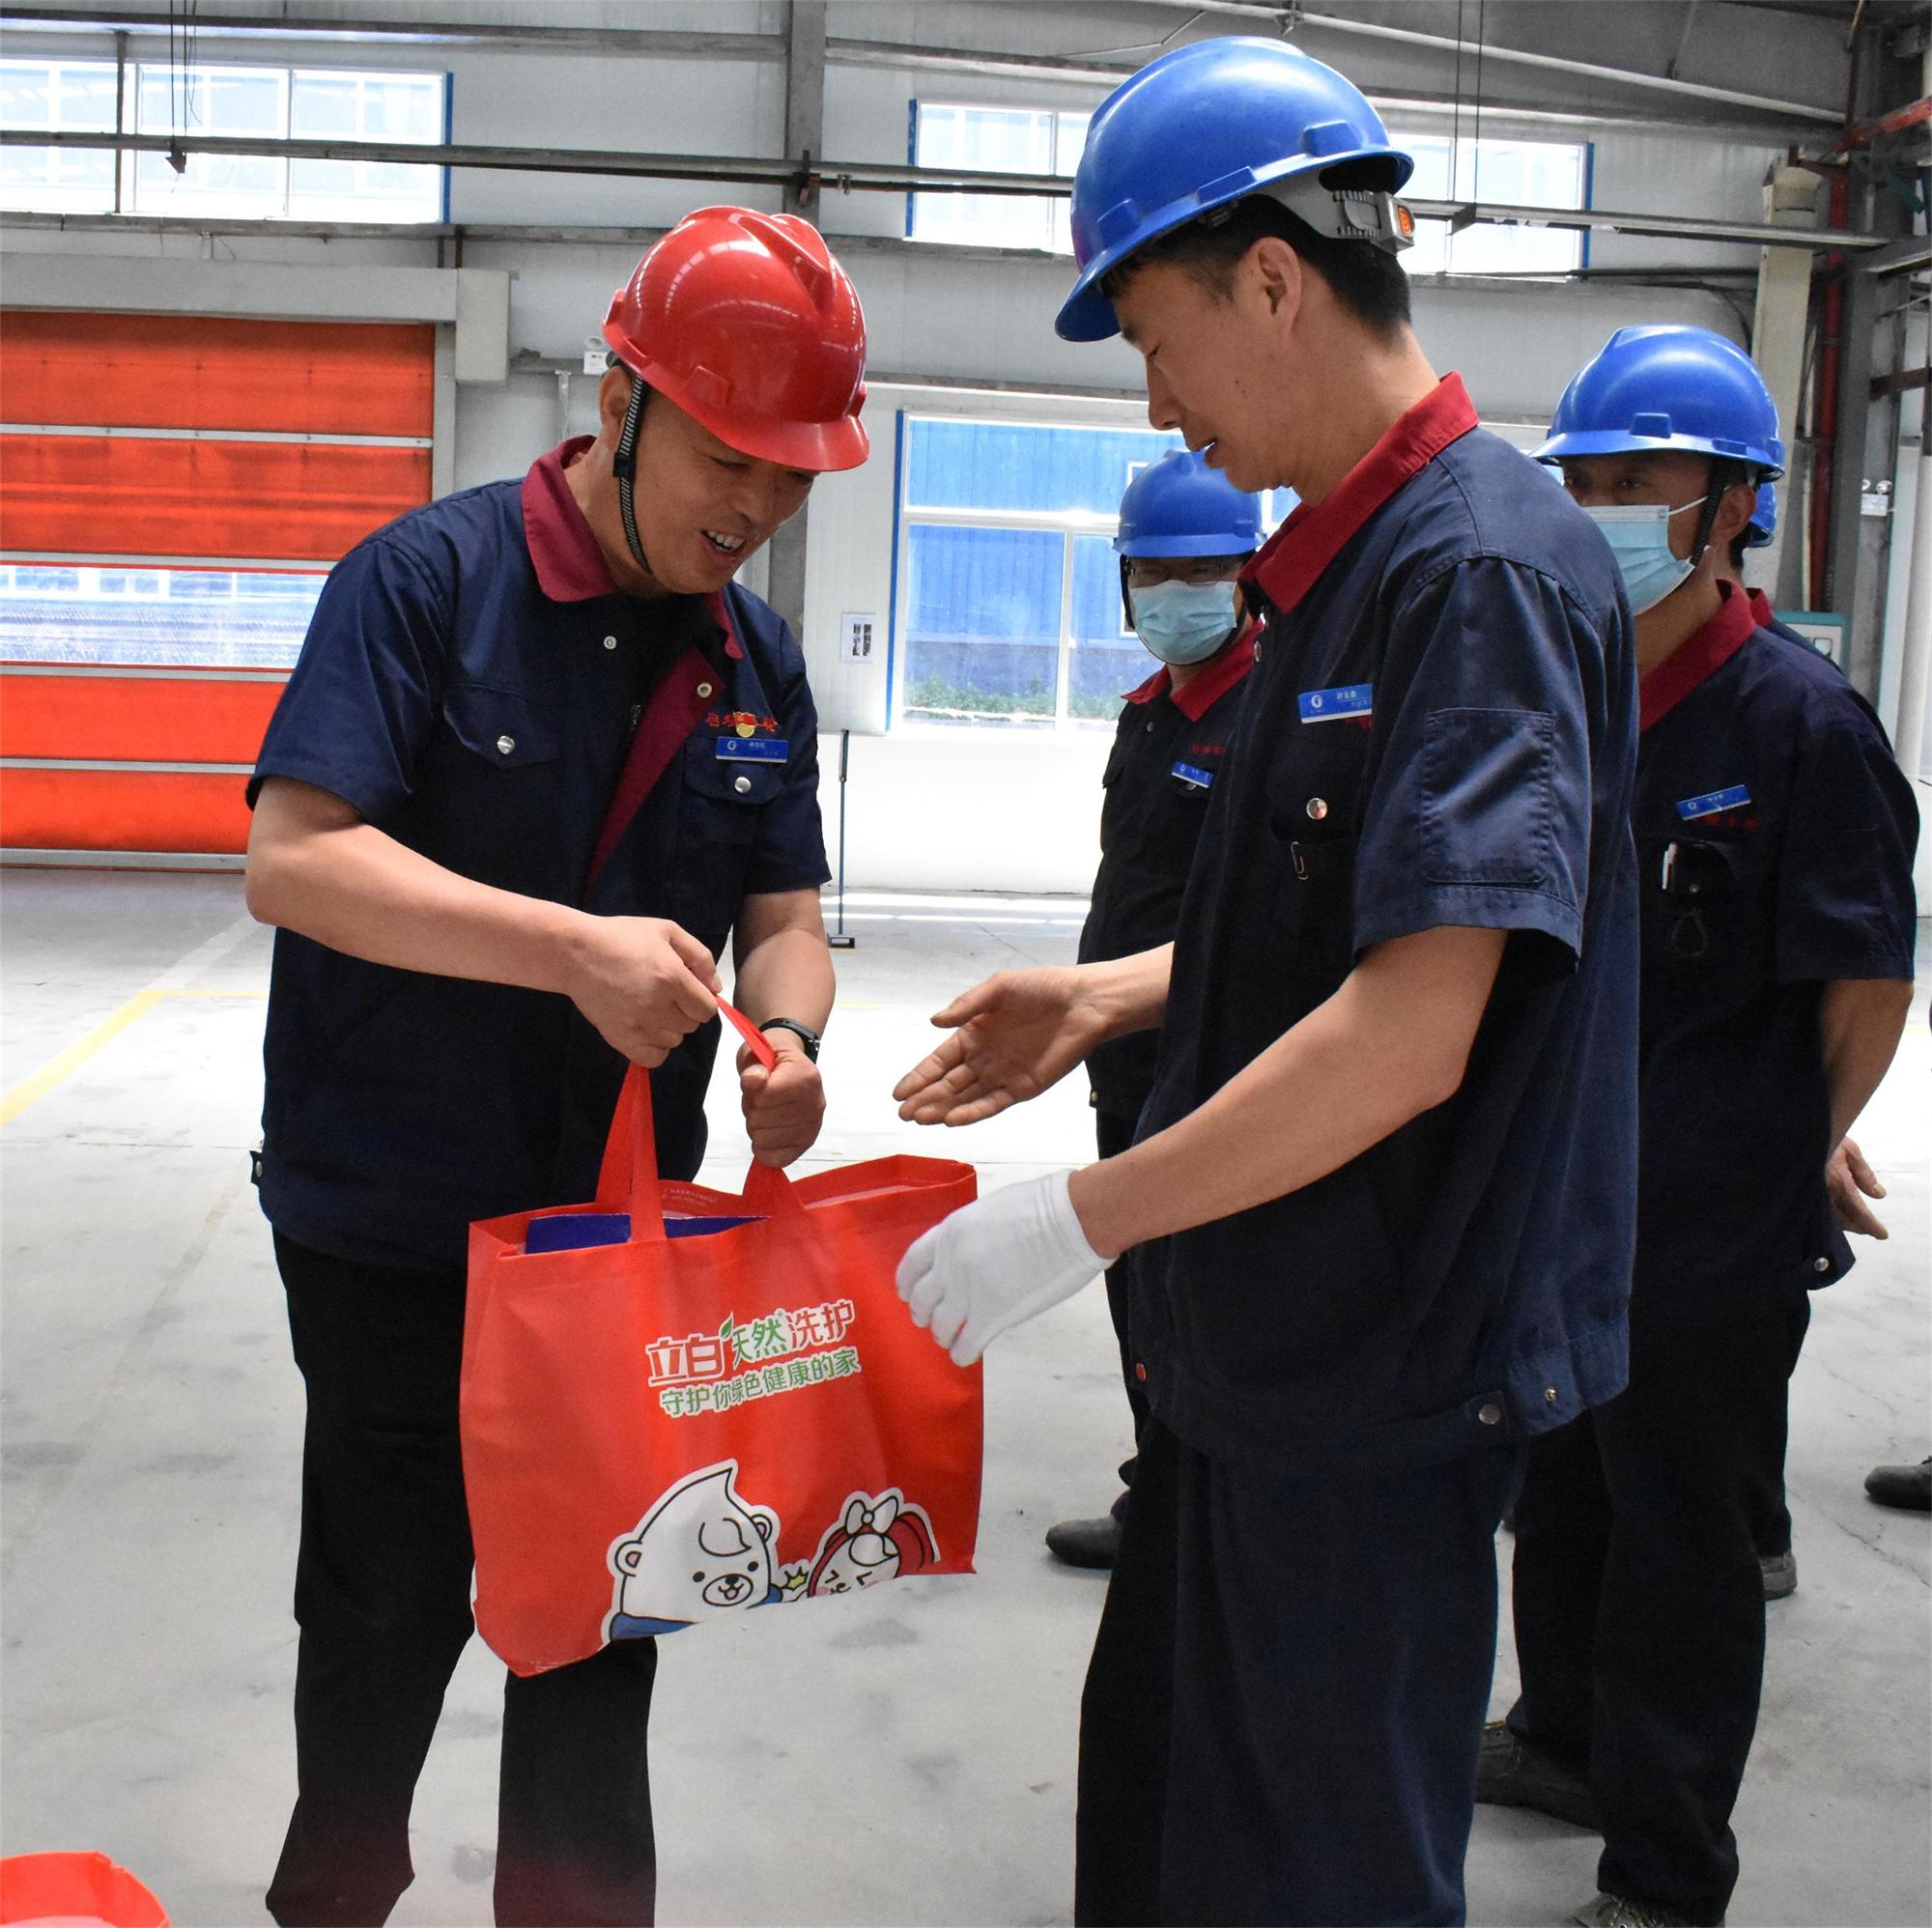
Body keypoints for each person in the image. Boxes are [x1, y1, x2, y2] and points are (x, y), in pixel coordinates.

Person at [893, 36, 1640, 1924]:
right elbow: (1342, 928)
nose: (1158, 403)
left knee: (1315, 1878)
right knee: (1171, 1846)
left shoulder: (1474, 571)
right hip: (1257, 1366)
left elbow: (1413, 1030)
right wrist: (1115, 997)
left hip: (1370, 1389)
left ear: (1277, 281)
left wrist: (1077, 1215)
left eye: (1156, 338)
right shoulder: (1347, 567)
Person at [242, 205, 866, 1926]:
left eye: (793, 479)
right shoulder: (424, 586)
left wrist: (795, 1038)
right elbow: (296, 860)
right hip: (395, 1227)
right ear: (620, 403)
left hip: (618, 1244)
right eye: (729, 459)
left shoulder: (756, 661)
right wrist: (569, 950)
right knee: (382, 1613)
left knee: (603, 1625)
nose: (755, 509)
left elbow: (786, 919)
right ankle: (332, 1899)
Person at [1479, 324, 1919, 1928]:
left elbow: (1866, 982)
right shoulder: (1569, 697)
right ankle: (1563, 1736)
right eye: (1584, 481)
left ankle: (1667, 1874)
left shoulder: (1800, 725)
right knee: (1564, 1488)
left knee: (1682, 1536)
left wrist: (1798, 1132)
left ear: (1733, 506)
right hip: (1563, 1187)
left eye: (1638, 482)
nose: (1600, 510)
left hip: (1711, 1215)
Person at [1046, 448, 1264, 1572]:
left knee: (1200, 1292)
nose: (1176, 592)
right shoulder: (1151, 710)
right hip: (1123, 1057)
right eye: (1153, 571)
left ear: (1248, 574)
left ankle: (1193, 1515)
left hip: (1212, 1061)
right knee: (1137, 1280)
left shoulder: (1271, 713)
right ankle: (1162, 1491)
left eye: (1204, 570)